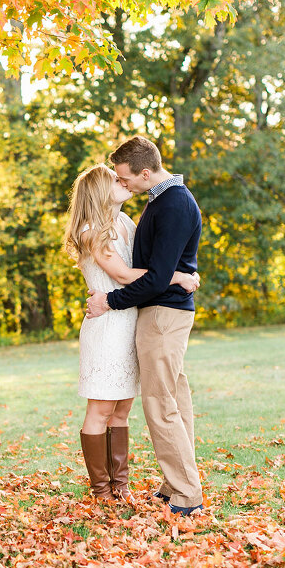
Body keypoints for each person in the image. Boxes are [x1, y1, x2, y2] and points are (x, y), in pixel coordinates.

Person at [64, 163, 200, 503]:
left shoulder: (125, 223)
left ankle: (120, 486)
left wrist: (168, 272)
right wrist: (177, 276)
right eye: (114, 179)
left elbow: (149, 267)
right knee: (101, 408)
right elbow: (124, 275)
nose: (121, 181)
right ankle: (101, 490)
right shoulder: (91, 228)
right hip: (107, 325)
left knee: (122, 409)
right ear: (100, 190)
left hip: (130, 321)